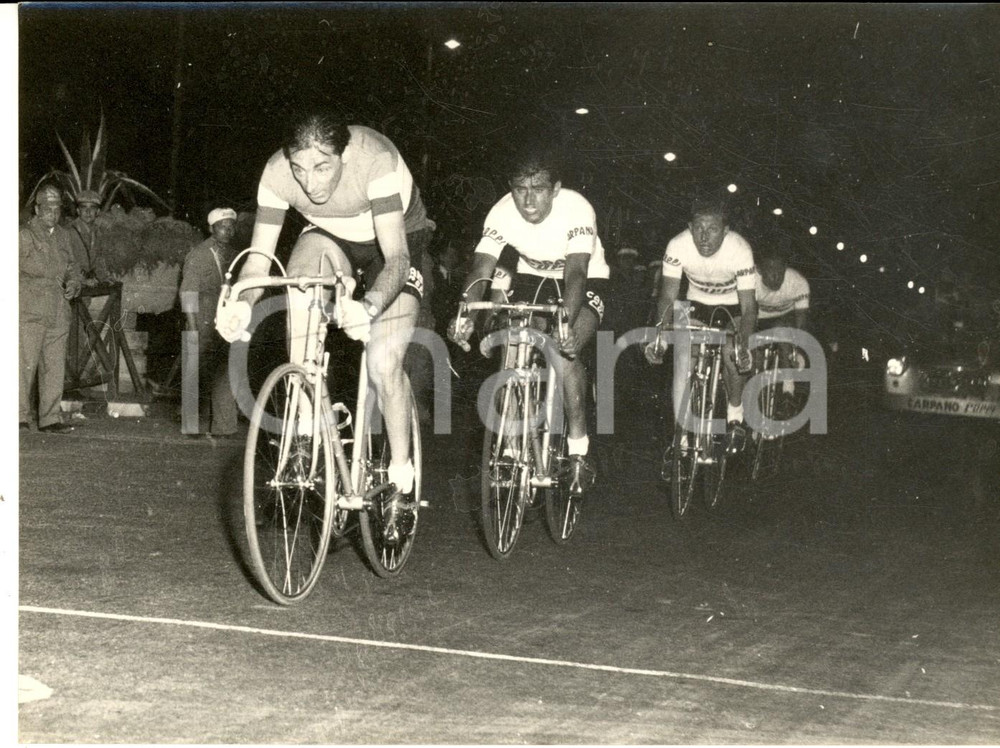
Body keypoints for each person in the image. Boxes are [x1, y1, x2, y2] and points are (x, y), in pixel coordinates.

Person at [217, 115, 433, 540]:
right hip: (330, 236)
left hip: (395, 245)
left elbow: (397, 260)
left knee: (383, 362)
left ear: (345, 155)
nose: (310, 183)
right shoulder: (278, 174)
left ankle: (402, 482)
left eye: (321, 168)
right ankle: (302, 426)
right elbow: (260, 263)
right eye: (300, 168)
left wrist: (367, 306)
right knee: (299, 281)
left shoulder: (376, 161)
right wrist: (243, 304)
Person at [448, 147, 610, 496]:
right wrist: (465, 311)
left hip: (583, 279)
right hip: (532, 277)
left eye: (538, 189)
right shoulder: (501, 212)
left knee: (562, 352)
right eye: (520, 189)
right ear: (511, 188)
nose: (528, 199)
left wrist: (564, 324)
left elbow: (577, 274)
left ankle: (578, 449)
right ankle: (509, 446)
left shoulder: (577, 208)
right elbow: (481, 269)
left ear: (555, 189)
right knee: (512, 342)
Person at [645, 195, 757, 452]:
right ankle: (681, 436)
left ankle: (735, 415)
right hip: (695, 303)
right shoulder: (677, 246)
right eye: (698, 229)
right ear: (690, 227)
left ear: (726, 230)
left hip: (733, 306)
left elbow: (750, 307)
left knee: (731, 352)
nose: (704, 237)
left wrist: (743, 344)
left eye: (713, 229)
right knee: (683, 356)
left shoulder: (740, 250)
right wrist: (658, 337)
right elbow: (667, 297)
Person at [19, 184, 84, 434]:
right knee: (24, 365)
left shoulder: (63, 235)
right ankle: (19, 417)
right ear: (37, 209)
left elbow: (71, 266)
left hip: (58, 310)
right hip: (29, 310)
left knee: (54, 366)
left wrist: (75, 282)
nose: (52, 214)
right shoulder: (24, 235)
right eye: (47, 208)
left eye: (57, 209)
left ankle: (50, 418)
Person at [179, 207, 240, 438]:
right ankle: (191, 426)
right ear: (211, 228)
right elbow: (188, 292)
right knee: (194, 372)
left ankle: (225, 427)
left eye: (231, 226)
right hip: (201, 318)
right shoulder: (200, 254)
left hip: (224, 320)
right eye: (222, 226)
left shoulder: (234, 255)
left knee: (224, 372)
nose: (228, 230)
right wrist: (192, 326)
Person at [755, 246, 810, 416]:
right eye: (770, 270)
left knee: (783, 330)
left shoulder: (798, 282)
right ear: (759, 269)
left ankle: (788, 390)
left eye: (779, 270)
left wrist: (797, 352)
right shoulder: (751, 281)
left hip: (785, 318)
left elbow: (801, 322)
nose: (775, 276)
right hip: (757, 318)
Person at [66, 189, 110, 285]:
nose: (88, 211)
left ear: (97, 212)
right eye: (83, 207)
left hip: (88, 285)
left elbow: (99, 261)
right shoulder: (69, 232)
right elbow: (65, 263)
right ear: (78, 211)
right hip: (72, 286)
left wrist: (104, 278)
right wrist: (82, 280)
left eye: (92, 208)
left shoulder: (98, 233)